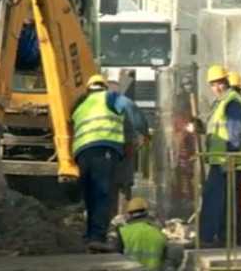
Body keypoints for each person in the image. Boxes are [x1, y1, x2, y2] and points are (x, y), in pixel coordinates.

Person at [192, 65, 241, 248]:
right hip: (226, 159)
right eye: (213, 84)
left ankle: (207, 237)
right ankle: (232, 238)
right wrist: (200, 128)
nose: (217, 87)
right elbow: (216, 128)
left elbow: (235, 132)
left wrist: (230, 157)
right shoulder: (223, 103)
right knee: (230, 201)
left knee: (214, 197)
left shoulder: (232, 102)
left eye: (220, 83)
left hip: (228, 160)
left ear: (226, 83)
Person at [70, 74, 127, 253]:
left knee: (90, 195)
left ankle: (89, 235)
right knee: (102, 195)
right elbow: (131, 109)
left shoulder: (80, 105)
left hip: (82, 153)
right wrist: (144, 131)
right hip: (104, 149)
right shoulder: (111, 98)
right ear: (104, 87)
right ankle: (97, 237)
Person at [106, 80, 150, 215]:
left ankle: (107, 218)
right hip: (122, 147)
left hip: (100, 149)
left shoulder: (92, 103)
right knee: (123, 184)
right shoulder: (124, 102)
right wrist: (144, 136)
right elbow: (139, 122)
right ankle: (123, 216)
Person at [115, 197, 170, 270]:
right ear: (147, 213)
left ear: (130, 214)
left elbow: (115, 258)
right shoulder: (160, 234)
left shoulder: (123, 232)